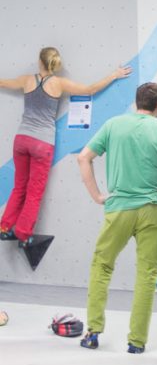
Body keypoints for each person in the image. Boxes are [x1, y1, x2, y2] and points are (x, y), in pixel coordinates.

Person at [77, 82, 157, 354]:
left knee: (102, 265)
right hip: (153, 209)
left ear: (137, 102)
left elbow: (84, 157)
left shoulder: (113, 125)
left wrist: (97, 196)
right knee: (147, 275)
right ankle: (136, 342)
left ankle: (93, 332)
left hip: (119, 208)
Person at [0, 47, 131, 244]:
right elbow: (90, 90)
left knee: (19, 186)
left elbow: (2, 82)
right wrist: (115, 74)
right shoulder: (59, 84)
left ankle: (4, 226)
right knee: (34, 192)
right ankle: (23, 234)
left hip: (22, 139)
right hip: (42, 143)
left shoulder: (27, 80)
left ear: (40, 61)